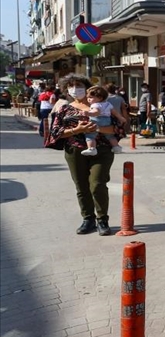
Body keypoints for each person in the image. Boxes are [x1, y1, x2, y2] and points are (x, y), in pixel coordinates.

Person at [45, 74, 126, 236]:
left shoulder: (104, 105)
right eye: (71, 86)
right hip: (75, 151)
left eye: (79, 86)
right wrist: (78, 130)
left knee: (97, 184)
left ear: (88, 88)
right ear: (66, 89)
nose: (76, 89)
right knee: (81, 186)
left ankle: (102, 220)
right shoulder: (65, 108)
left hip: (102, 150)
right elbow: (56, 133)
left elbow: (119, 129)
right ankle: (88, 219)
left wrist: (95, 129)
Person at [82, 85, 125, 155]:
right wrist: (121, 118)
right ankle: (116, 147)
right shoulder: (108, 104)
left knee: (90, 135)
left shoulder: (95, 105)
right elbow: (115, 112)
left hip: (97, 120)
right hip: (107, 120)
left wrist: (88, 113)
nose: (88, 99)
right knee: (110, 136)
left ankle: (92, 148)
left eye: (91, 97)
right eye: (88, 98)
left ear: (99, 97)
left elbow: (96, 112)